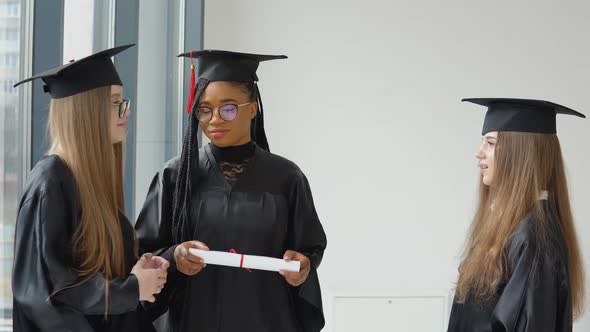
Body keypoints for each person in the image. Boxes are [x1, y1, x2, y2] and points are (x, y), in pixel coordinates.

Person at [135, 50, 327, 332]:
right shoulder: (175, 176)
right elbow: (144, 253)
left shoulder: (286, 178)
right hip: (193, 320)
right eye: (204, 109)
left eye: (228, 108)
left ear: (252, 108)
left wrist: (303, 267)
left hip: (267, 319)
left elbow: (308, 250)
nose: (214, 119)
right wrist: (174, 256)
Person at [12, 45, 169, 332]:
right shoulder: (49, 183)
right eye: (115, 102)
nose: (126, 110)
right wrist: (130, 290)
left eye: (124, 101)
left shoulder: (87, 182)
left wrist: (139, 272)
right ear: (86, 109)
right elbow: (48, 291)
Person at [447, 98, 586, 331]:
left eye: (490, 143)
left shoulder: (534, 236)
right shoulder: (508, 226)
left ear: (520, 153)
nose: (479, 153)